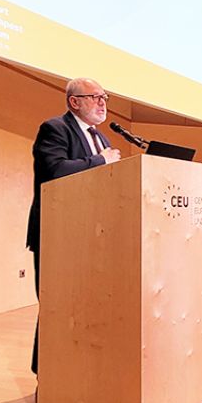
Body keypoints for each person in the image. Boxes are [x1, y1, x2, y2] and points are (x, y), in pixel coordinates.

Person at [25, 77, 122, 373]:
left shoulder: (102, 139)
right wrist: (100, 161)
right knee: (57, 305)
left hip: (93, 234)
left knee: (88, 305)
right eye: (95, 97)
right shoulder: (55, 129)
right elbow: (55, 171)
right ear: (74, 101)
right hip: (58, 234)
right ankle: (48, 374)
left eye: (104, 97)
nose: (102, 102)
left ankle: (82, 372)